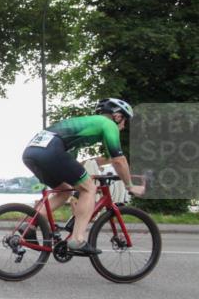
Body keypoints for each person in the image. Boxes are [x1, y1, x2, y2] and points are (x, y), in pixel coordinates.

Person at [21, 98, 145, 255]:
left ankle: (30, 224)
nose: (124, 126)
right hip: (51, 151)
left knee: (64, 191)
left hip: (31, 153)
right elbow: (118, 160)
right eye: (124, 120)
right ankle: (77, 240)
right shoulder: (109, 125)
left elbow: (103, 159)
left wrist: (83, 175)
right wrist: (130, 186)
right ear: (117, 116)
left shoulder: (87, 123)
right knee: (89, 189)